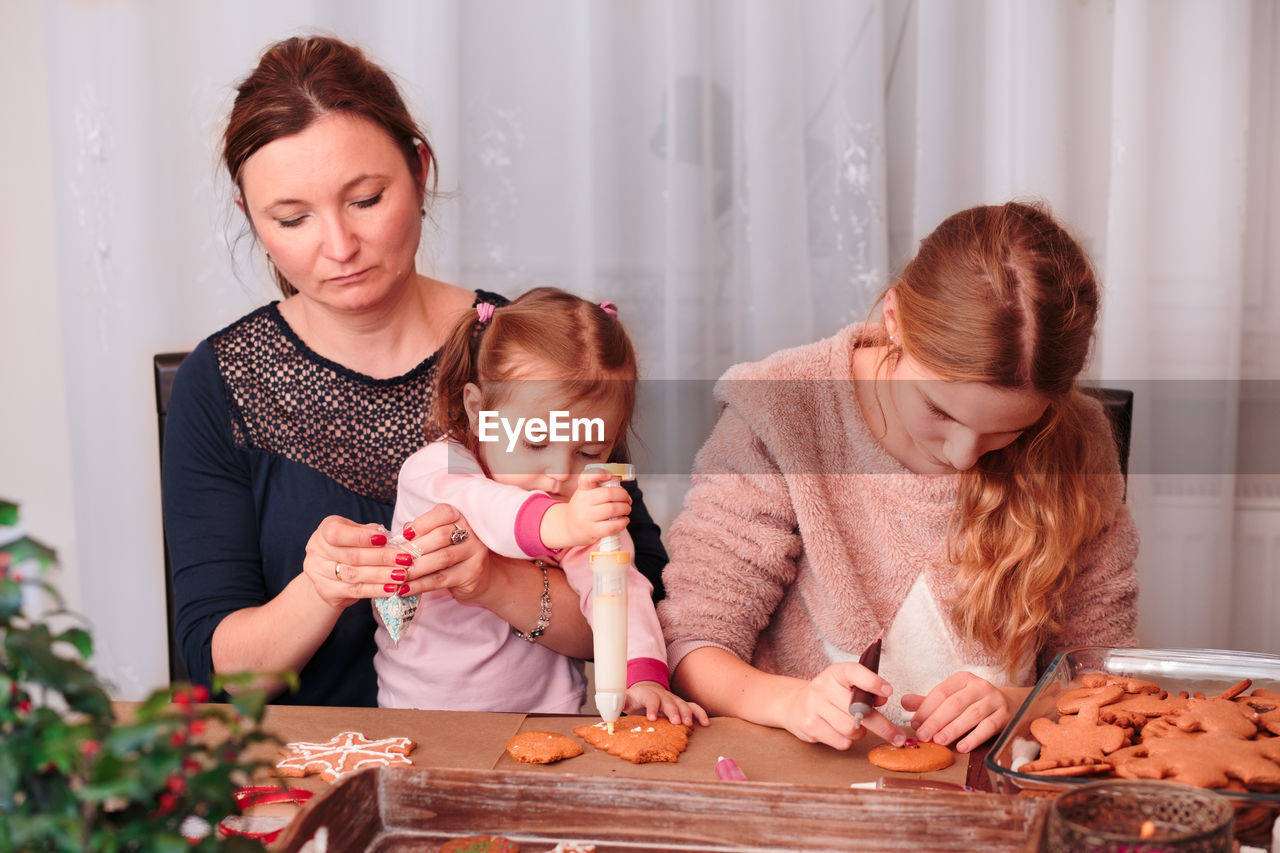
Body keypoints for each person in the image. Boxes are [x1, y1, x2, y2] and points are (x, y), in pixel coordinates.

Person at [161, 35, 667, 707]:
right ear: (250, 218)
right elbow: (222, 674)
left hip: (511, 756)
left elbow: (638, 599)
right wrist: (321, 587)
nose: (339, 246)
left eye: (366, 199)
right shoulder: (221, 385)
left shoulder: (523, 350)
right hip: (310, 772)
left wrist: (496, 582)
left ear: (420, 169)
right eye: (291, 217)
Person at [657, 201, 1139, 755]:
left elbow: (1104, 675)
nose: (963, 457)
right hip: (804, 791)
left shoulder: (1074, 444)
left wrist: (1023, 706)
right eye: (939, 411)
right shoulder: (781, 411)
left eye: (1007, 432)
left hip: (990, 800)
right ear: (895, 320)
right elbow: (692, 646)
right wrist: (788, 701)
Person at [375, 288, 707, 725]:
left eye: (588, 452)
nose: (559, 473)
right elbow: (489, 509)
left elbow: (617, 586)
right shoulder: (437, 469)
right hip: (421, 716)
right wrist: (564, 522)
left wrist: (643, 677)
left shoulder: (577, 502)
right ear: (478, 411)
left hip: (546, 719)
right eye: (534, 442)